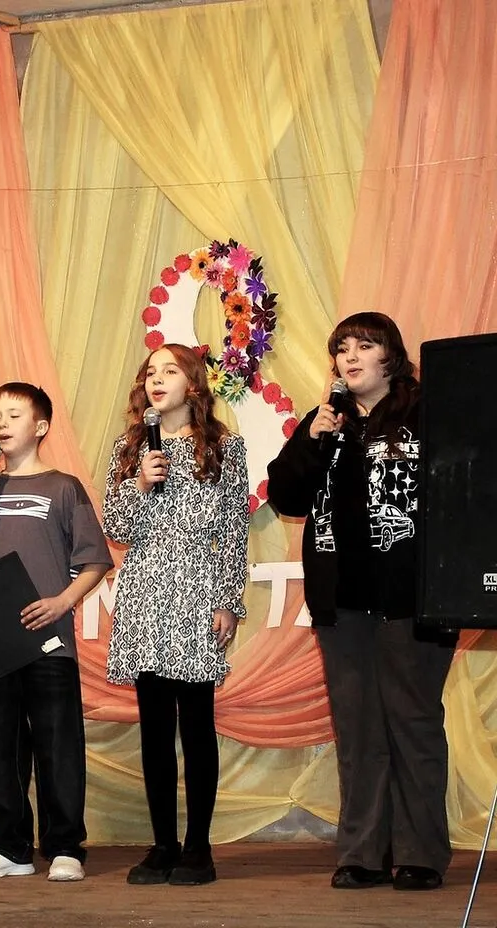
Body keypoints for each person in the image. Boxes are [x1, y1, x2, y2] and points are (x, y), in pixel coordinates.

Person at [267, 312, 456, 892]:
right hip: (342, 598)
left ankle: (421, 853)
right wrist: (313, 439)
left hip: (413, 596)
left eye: (364, 346)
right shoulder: (326, 419)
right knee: (358, 728)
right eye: (342, 348)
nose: (349, 357)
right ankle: (363, 853)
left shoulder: (426, 414)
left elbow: (460, 486)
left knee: (413, 723)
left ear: (390, 356)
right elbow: (286, 495)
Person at [0, 383, 112, 882]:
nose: (1, 424)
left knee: (57, 745)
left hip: (47, 638)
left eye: (13, 415)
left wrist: (62, 601)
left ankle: (64, 847)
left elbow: (95, 560)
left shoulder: (63, 487)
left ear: (40, 427)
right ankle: (10, 848)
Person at [102, 344, 249, 886]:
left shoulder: (224, 448)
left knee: (197, 724)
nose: (157, 379)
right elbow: (116, 526)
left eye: (170, 371)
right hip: (144, 589)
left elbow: (233, 530)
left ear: (194, 384)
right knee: (156, 728)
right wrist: (139, 482)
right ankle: (163, 843)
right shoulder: (129, 447)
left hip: (197, 587)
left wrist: (227, 600)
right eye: (151, 372)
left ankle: (198, 847)